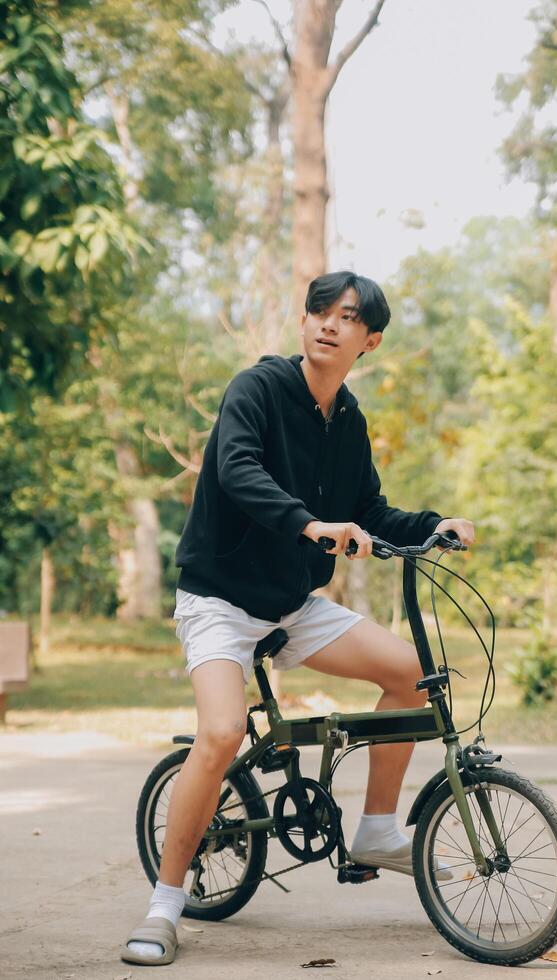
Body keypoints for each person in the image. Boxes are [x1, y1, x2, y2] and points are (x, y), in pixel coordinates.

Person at [121, 271, 475, 966]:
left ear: (369, 340)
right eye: (319, 310)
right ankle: (164, 907)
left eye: (346, 317)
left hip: (291, 603)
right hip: (219, 598)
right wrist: (309, 523)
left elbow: (369, 511)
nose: (327, 324)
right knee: (222, 733)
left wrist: (435, 526)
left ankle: (375, 829)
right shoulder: (257, 389)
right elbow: (237, 469)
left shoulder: (348, 422)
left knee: (412, 675)